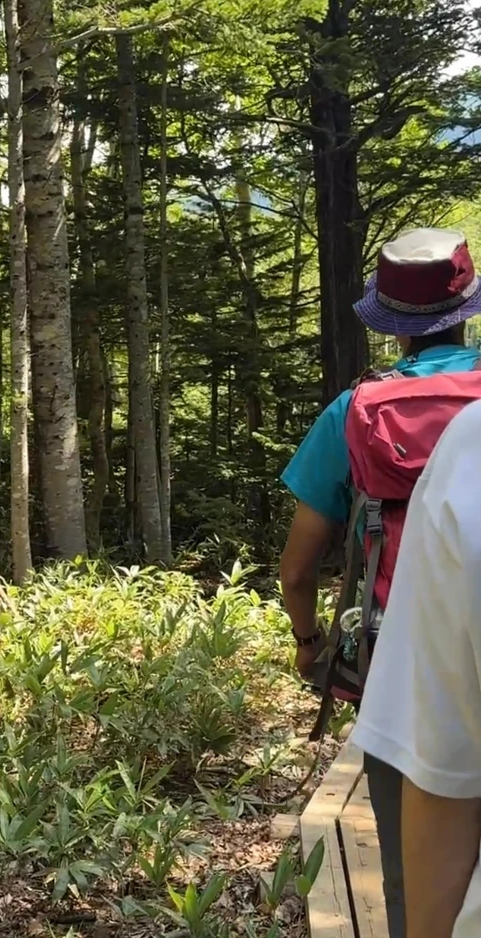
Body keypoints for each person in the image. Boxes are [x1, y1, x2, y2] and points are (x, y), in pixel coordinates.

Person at [279, 227, 481, 938]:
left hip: (400, 656)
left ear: (390, 323)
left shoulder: (354, 412)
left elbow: (299, 567)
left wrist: (308, 645)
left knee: (412, 860)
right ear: (467, 308)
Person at [351, 399, 481, 938]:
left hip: (395, 637)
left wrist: (308, 640)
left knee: (414, 798)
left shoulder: (356, 409)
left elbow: (306, 546)